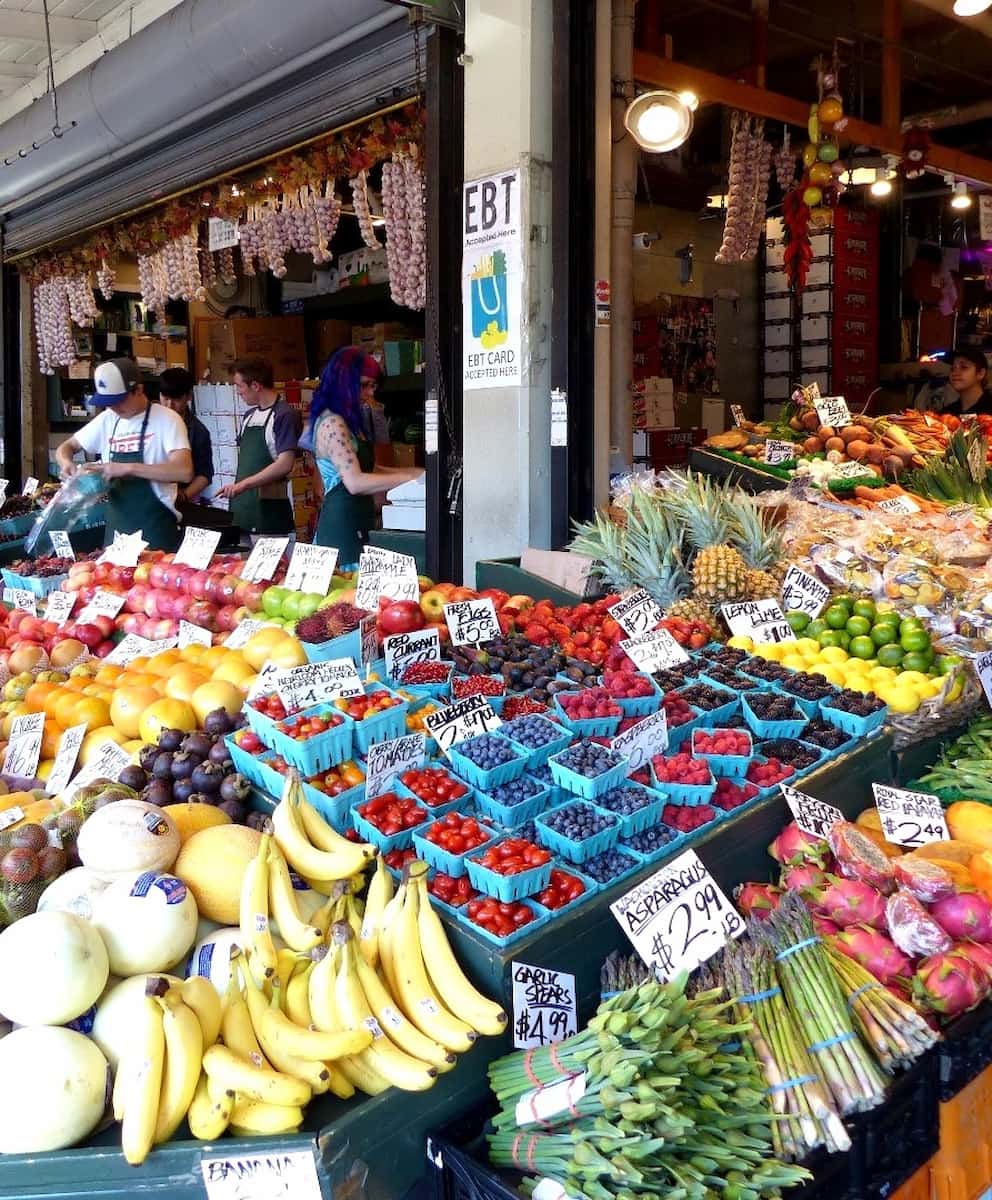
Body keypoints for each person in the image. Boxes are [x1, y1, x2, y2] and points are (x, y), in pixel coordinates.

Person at [55, 357, 192, 552]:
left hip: (155, 530)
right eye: (107, 402)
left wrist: (127, 468)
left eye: (118, 401)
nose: (113, 408)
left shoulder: (168, 420)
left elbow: (183, 471)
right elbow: (66, 447)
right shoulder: (108, 419)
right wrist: (66, 462)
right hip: (117, 532)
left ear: (138, 390)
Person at [309, 346, 424, 565]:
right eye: (363, 385)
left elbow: (367, 468)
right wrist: (409, 478)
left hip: (358, 520)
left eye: (373, 386)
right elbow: (354, 481)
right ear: (343, 382)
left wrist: (412, 471)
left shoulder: (350, 422)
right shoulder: (333, 423)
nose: (370, 393)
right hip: (341, 529)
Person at [218, 358, 301, 540]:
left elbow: (285, 464)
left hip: (268, 511)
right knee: (240, 567)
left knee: (271, 568)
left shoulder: (284, 415)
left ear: (255, 385)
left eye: (239, 386)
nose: (238, 392)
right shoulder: (249, 416)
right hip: (242, 509)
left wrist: (244, 484)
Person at [158, 367, 214, 514]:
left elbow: (205, 475)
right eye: (165, 398)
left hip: (180, 505)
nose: (169, 405)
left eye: (176, 399)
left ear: (189, 396)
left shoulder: (198, 432)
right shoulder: (149, 423)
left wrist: (183, 496)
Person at [944, 347, 992, 416]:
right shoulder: (948, 413)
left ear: (981, 373)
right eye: (952, 369)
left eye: (964, 367)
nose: (955, 373)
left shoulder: (989, 409)